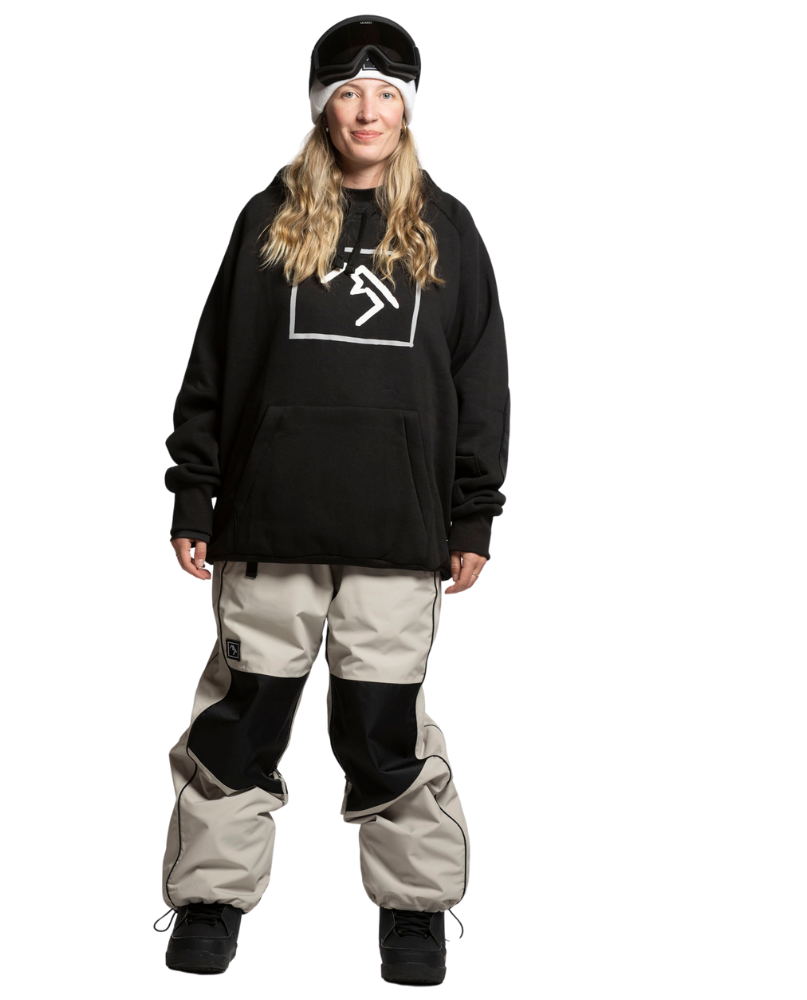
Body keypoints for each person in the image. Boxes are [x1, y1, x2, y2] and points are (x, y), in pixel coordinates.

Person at [155, 15, 510, 987]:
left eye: (387, 93)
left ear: (408, 108)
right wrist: (194, 491)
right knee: (241, 720)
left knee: (384, 730)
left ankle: (415, 909)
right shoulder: (267, 219)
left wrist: (472, 513)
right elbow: (216, 361)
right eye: (348, 92)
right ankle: (210, 897)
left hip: (398, 530)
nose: (367, 110)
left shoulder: (447, 229)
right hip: (271, 522)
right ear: (322, 106)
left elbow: (480, 381)